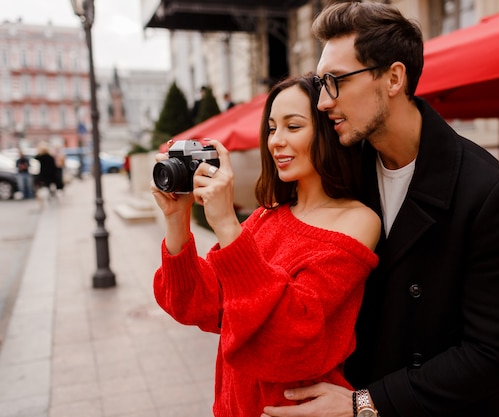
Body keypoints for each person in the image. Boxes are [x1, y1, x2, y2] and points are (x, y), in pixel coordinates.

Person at [262, 3, 499, 417]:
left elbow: (494, 354)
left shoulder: (485, 189)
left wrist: (364, 404)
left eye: (335, 82)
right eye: (320, 83)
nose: (322, 102)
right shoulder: (345, 172)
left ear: (393, 78)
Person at [151, 74, 381, 417]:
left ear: (328, 131)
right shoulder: (266, 217)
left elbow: (288, 337)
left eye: (293, 126)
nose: (276, 141)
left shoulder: (358, 221)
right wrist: (176, 218)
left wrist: (228, 225)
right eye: (272, 128)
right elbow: (198, 305)